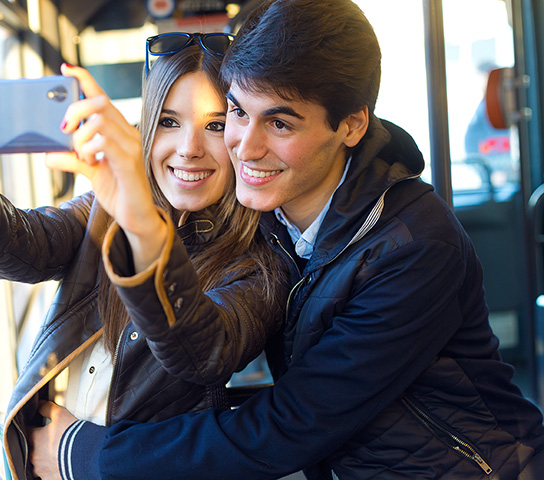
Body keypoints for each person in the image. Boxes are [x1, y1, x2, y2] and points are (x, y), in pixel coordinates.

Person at [34, 1, 544, 479]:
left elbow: (290, 425)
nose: (245, 148)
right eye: (236, 113)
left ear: (350, 125)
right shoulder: (270, 215)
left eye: (278, 122)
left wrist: (84, 453)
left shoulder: (413, 247)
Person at [0, 35, 287, 480]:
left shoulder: (260, 263)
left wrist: (140, 223)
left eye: (214, 126)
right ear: (146, 129)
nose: (190, 147)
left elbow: (203, 352)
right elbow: (30, 246)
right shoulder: (102, 208)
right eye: (169, 121)